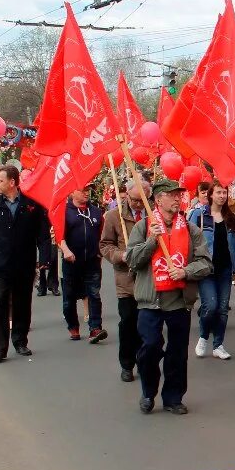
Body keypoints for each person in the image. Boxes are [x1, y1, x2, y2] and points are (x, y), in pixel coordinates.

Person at [125, 177, 212, 414]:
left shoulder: (191, 229)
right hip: (149, 300)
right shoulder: (144, 227)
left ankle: (173, 397)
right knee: (150, 348)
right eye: (171, 195)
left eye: (179, 194)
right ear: (158, 199)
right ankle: (147, 392)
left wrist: (185, 270)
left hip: (179, 300)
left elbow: (205, 263)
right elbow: (131, 260)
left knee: (177, 354)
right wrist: (152, 241)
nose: (177, 198)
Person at [0, 166, 47, 362]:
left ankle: (20, 340)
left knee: (22, 303)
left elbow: (42, 235)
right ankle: (0, 347)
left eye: (0, 181)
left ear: (12, 182)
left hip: (24, 264)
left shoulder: (31, 205)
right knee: (0, 303)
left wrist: (44, 258)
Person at [188, 183, 235, 361]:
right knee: (210, 306)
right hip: (206, 268)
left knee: (222, 309)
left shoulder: (230, 217)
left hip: (225, 268)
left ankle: (218, 345)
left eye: (225, 192)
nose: (222, 195)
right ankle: (204, 336)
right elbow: (188, 240)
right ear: (211, 195)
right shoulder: (199, 215)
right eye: (219, 192)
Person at [102, 179, 149, 382]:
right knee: (128, 322)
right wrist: (120, 256)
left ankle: (146, 360)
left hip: (149, 278)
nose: (138, 204)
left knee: (148, 323)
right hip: (126, 280)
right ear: (126, 196)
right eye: (134, 200)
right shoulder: (114, 216)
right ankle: (127, 363)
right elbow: (105, 245)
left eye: (142, 200)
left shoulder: (152, 215)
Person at [59, 185, 107, 343]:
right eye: (83, 190)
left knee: (94, 294)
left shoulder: (96, 212)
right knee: (69, 298)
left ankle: (95, 328)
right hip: (71, 262)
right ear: (72, 191)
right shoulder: (64, 211)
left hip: (92, 261)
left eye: (89, 190)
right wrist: (65, 250)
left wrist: (101, 251)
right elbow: (58, 236)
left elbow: (103, 235)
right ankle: (73, 326)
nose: (87, 193)